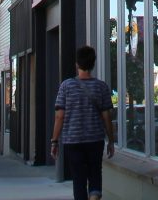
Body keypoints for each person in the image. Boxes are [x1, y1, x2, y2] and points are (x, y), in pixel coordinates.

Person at [49, 45, 115, 200]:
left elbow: (59, 116)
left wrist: (54, 141)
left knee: (78, 179)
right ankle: (94, 195)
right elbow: (107, 116)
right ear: (93, 64)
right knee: (95, 174)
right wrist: (111, 140)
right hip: (95, 139)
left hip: (73, 140)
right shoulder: (101, 86)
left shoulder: (66, 86)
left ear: (77, 64)